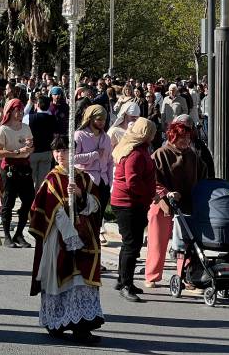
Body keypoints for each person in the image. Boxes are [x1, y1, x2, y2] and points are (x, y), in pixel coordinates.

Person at [29, 136, 104, 345]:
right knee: (62, 278)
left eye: (64, 150)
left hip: (85, 236)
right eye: (56, 151)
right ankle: (57, 323)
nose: (60, 155)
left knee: (81, 281)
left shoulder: (83, 178)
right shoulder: (51, 179)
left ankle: (82, 328)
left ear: (73, 152)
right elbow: (51, 212)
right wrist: (71, 237)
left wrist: (81, 195)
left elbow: (96, 205)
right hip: (59, 238)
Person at [144, 120, 208, 288]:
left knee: (186, 244)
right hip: (162, 204)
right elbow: (151, 180)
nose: (186, 141)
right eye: (182, 138)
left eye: (188, 138)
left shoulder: (192, 155)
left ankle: (187, 277)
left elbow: (203, 174)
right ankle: (152, 276)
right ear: (173, 137)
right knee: (157, 242)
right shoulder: (160, 154)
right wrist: (165, 193)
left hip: (186, 206)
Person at [110, 118, 157, 302]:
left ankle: (122, 279)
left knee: (129, 243)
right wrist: (149, 195)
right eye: (152, 132)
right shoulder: (135, 153)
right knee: (132, 245)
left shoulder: (135, 148)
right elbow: (133, 181)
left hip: (130, 203)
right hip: (128, 204)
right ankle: (126, 285)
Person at [0, 99, 35, 248]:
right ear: (10, 111)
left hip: (25, 168)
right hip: (9, 169)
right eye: (17, 110)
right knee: (8, 203)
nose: (20, 113)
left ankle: (19, 234)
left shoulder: (26, 128)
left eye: (21, 110)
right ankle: (7, 236)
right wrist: (17, 152)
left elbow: (31, 147)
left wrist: (29, 148)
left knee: (29, 201)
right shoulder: (3, 130)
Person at [74, 105, 114, 245]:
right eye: (98, 119)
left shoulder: (106, 138)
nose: (102, 122)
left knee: (98, 218)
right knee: (85, 218)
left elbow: (110, 161)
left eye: (104, 119)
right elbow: (72, 158)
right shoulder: (79, 135)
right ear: (90, 118)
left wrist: (110, 183)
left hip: (103, 182)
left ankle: (95, 248)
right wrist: (94, 155)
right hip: (86, 181)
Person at [24, 95, 57, 188]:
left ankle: (31, 196)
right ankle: (40, 196)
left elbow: (22, 116)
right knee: (43, 181)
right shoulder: (53, 118)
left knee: (30, 180)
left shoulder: (29, 117)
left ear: (37, 104)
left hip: (32, 152)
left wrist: (29, 104)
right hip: (47, 152)